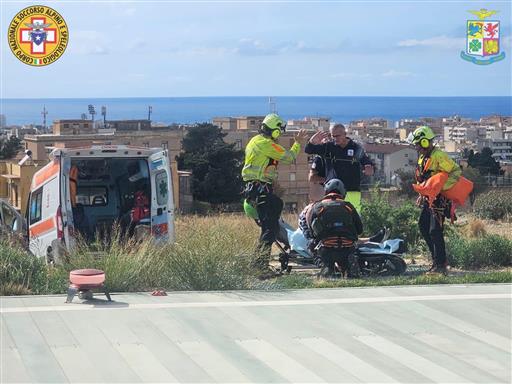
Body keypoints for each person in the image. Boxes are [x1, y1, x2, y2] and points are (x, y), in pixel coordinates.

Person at [242, 113, 308, 273]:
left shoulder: (254, 141)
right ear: (275, 131)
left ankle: (258, 264)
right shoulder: (266, 144)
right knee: (270, 230)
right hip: (261, 191)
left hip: (256, 191)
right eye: (280, 132)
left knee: (269, 228)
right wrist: (297, 143)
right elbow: (288, 157)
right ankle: (258, 266)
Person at [408, 125, 461, 275]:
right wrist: (421, 194)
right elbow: (423, 178)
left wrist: (442, 188)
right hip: (429, 198)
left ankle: (440, 265)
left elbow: (455, 171)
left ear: (425, 142)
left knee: (435, 230)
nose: (417, 147)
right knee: (423, 226)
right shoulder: (423, 157)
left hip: (439, 200)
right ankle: (436, 261)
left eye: (419, 143)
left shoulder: (439, 156)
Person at [305, 124, 374, 212]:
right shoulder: (328, 147)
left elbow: (368, 163)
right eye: (333, 136)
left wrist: (369, 168)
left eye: (338, 136)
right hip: (332, 193)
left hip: (352, 191)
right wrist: (312, 141)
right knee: (332, 218)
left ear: (345, 134)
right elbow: (308, 150)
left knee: (353, 218)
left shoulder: (356, 148)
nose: (335, 138)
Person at [305, 179, 363, 277]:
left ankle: (324, 265)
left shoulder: (318, 207)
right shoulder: (348, 206)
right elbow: (359, 230)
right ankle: (349, 268)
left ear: (326, 191)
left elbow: (312, 232)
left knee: (310, 244)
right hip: (347, 248)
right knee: (349, 261)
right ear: (343, 192)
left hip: (326, 248)